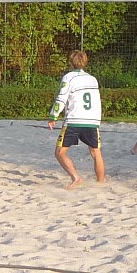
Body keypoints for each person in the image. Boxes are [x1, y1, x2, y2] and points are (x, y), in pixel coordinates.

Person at [47, 50, 106, 189]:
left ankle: (76, 178)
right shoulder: (92, 79)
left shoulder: (69, 77)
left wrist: (53, 116)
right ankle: (101, 182)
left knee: (60, 153)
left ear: (71, 62)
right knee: (96, 153)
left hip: (74, 120)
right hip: (92, 120)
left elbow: (61, 98)